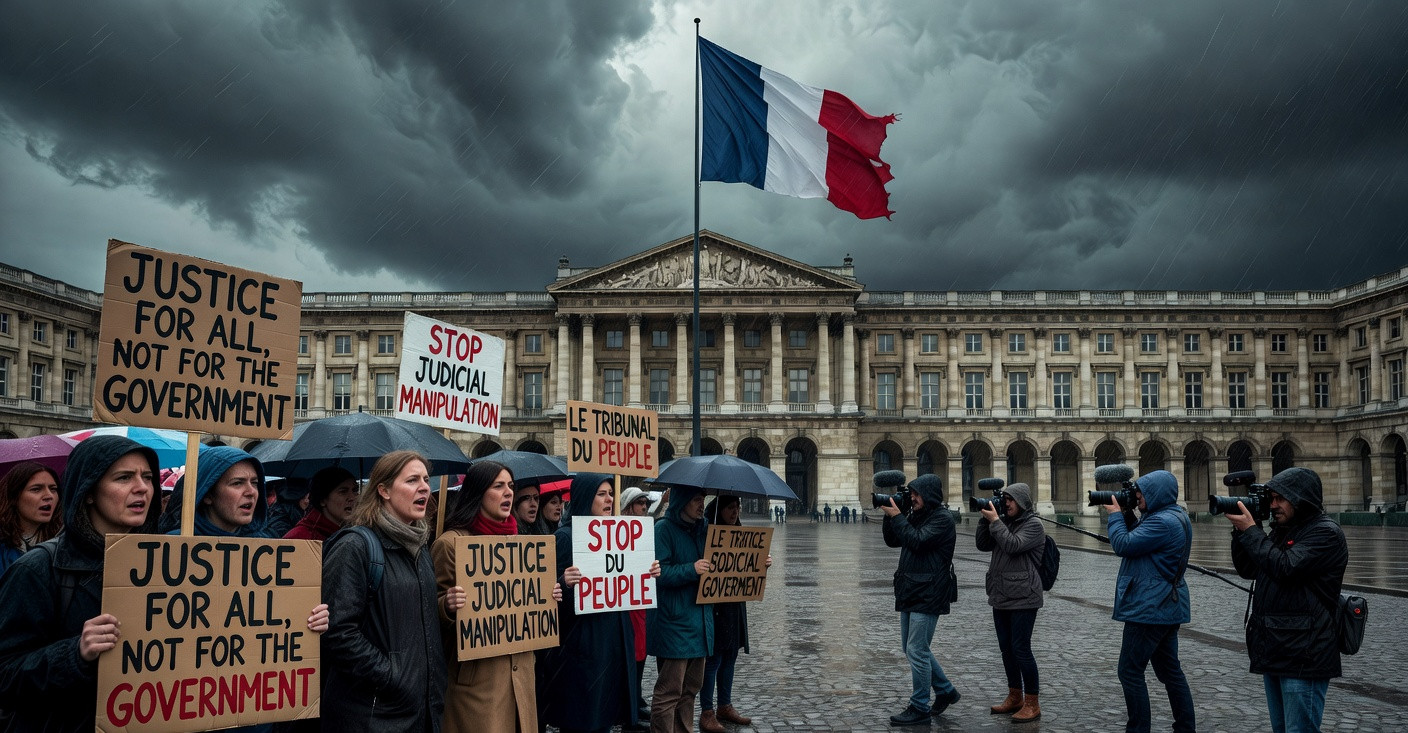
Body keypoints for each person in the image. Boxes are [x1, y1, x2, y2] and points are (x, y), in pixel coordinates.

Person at [322, 450, 446, 732]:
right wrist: (392, 676)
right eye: (412, 480)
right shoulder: (354, 546)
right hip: (372, 714)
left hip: (420, 711)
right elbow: (338, 632)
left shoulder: (420, 546)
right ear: (384, 490)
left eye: (426, 479)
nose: (425, 487)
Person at [1226, 467, 1349, 733]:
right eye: (1270, 498)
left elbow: (1285, 567)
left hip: (1305, 652)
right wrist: (1243, 530)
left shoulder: (1325, 533)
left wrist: (1252, 532)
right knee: (1282, 729)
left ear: (1300, 498)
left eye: (1280, 498)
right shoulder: (1281, 531)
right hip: (1276, 645)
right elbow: (1248, 569)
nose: (1273, 505)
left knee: (1299, 730)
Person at [434, 460, 552, 733]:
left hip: (521, 678)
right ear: (478, 492)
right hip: (478, 686)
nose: (509, 493)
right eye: (498, 486)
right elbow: (430, 615)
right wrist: (447, 606)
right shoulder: (450, 544)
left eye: (510, 486)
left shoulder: (521, 544)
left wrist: (549, 594)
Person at [542, 473, 655, 733]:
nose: (609, 500)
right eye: (601, 494)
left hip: (613, 642)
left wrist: (648, 572)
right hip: (583, 645)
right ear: (585, 497)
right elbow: (547, 597)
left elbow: (627, 580)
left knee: (604, 717)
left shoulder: (619, 533)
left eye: (610, 494)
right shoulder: (565, 537)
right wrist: (564, 582)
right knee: (584, 719)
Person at [1104, 469, 1194, 733]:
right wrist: (1128, 513)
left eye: (1141, 492)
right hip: (1165, 605)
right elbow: (1141, 539)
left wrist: (1113, 515)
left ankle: (1138, 729)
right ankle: (1186, 728)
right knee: (1170, 672)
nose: (1138, 496)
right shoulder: (1170, 516)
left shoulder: (1162, 522)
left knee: (1130, 672)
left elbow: (1124, 544)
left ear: (1155, 493)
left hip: (1150, 608)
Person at [880, 472, 960, 726]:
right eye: (911, 494)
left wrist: (899, 518)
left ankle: (919, 706)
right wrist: (890, 515)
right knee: (912, 648)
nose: (912, 498)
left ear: (929, 495)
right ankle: (945, 690)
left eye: (916, 494)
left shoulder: (943, 519)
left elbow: (917, 541)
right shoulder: (916, 516)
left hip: (929, 591)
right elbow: (893, 540)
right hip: (911, 588)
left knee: (916, 650)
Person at [698, 495, 769, 733]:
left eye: (737, 507)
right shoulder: (707, 534)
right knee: (714, 659)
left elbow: (745, 568)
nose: (735, 511)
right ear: (719, 510)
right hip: (714, 605)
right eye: (730, 507)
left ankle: (725, 705)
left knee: (730, 656)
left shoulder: (740, 534)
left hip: (734, 605)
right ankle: (706, 711)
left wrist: (761, 563)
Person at [975, 482, 1045, 722]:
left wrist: (996, 521)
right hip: (1001, 593)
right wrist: (985, 518)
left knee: (1021, 649)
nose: (1006, 503)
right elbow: (983, 545)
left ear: (1022, 501)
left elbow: (1012, 545)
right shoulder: (1004, 522)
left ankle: (1032, 702)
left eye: (1010, 499)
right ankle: (1015, 696)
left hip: (1025, 597)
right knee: (1007, 649)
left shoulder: (1034, 525)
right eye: (1004, 499)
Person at [649, 484, 713, 733]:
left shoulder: (704, 529)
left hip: (700, 623)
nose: (701, 504)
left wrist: (759, 563)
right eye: (696, 499)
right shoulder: (663, 529)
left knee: (690, 690)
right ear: (682, 501)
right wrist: (691, 569)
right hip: (674, 622)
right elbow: (659, 572)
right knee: (669, 692)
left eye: (703, 499)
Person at [619, 486, 653, 731]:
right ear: (629, 506)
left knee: (640, 654)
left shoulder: (646, 530)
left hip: (639, 601)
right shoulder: (614, 531)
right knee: (627, 658)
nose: (644, 508)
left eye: (646, 504)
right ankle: (627, 710)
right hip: (621, 604)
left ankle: (635, 700)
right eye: (640, 503)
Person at [0, 461, 62, 577]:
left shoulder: (63, 545)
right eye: (36, 489)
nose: (49, 496)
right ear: (14, 496)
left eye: (53, 489)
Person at [284, 466, 359, 542]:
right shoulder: (298, 538)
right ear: (323, 500)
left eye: (355, 490)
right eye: (343, 492)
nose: (353, 497)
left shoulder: (358, 534)